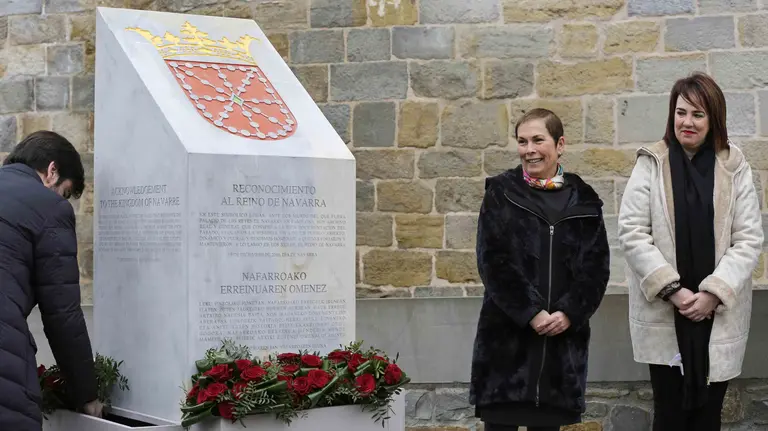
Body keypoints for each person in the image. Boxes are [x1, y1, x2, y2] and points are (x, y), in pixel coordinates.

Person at [618, 72, 763, 431]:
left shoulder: (734, 166)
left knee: (707, 417)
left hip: (717, 315)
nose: (687, 122)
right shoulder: (651, 162)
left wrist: (713, 293)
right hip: (666, 311)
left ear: (714, 119)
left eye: (698, 114)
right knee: (669, 415)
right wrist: (673, 290)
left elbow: (748, 239)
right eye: (681, 112)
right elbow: (633, 233)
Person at [469, 108, 610, 431]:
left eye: (537, 140)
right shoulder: (501, 194)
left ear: (560, 145)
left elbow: (596, 268)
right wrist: (531, 312)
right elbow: (493, 262)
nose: (529, 149)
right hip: (506, 354)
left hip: (560, 356)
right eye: (522, 141)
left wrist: (569, 313)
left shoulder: (585, 202)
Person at [0, 131, 104, 430]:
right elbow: (62, 315)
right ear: (52, 171)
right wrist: (86, 394)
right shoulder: (48, 207)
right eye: (65, 192)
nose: (62, 200)